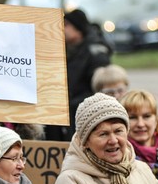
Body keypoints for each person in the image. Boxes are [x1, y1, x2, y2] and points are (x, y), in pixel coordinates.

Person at [46, 9, 111, 141]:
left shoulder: (95, 51)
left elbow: (99, 86)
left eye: (66, 25)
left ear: (78, 28)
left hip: (82, 110)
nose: (62, 29)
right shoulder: (66, 49)